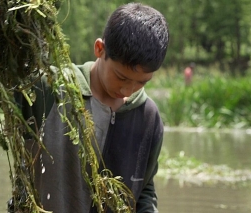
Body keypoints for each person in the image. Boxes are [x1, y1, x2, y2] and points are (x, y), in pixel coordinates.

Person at [13, 2, 169, 212]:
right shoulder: (50, 89)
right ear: (99, 49)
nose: (127, 90)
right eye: (121, 77)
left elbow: (145, 189)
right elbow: (7, 89)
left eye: (142, 82)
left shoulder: (148, 117)